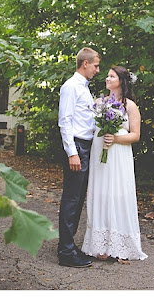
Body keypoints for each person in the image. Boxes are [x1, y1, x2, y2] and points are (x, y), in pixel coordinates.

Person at [81, 66, 148, 261]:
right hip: (99, 153)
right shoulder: (99, 102)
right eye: (107, 76)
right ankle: (99, 244)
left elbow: (136, 135)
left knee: (117, 193)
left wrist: (116, 139)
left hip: (118, 154)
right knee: (100, 193)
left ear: (121, 80)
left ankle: (120, 243)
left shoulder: (130, 106)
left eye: (112, 76)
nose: (107, 78)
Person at [57, 47, 101, 268]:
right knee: (72, 199)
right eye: (95, 65)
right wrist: (72, 153)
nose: (97, 70)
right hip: (77, 149)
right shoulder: (71, 87)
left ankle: (69, 245)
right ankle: (65, 252)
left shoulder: (84, 88)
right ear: (85, 64)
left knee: (78, 198)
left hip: (86, 147)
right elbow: (65, 121)